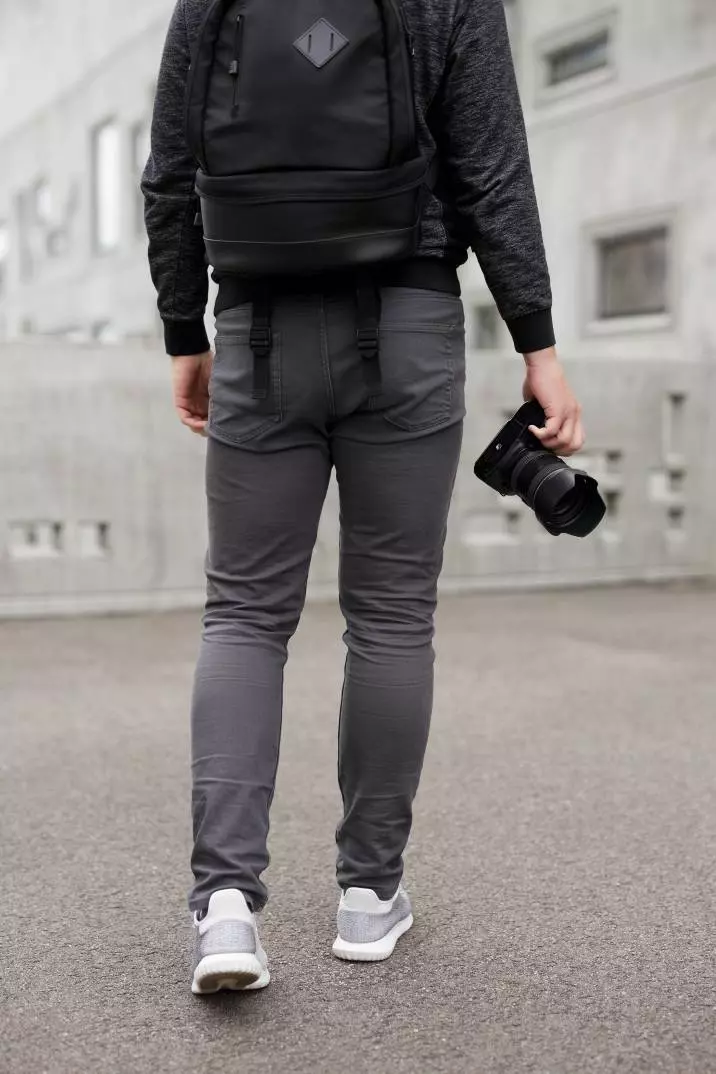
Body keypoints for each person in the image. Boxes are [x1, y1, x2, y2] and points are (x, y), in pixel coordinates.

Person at [142, 0, 584, 996]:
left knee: (246, 614)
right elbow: (491, 173)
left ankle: (223, 909)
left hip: (256, 318)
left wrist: (184, 331)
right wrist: (537, 346)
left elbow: (169, 173)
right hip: (412, 318)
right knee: (389, 613)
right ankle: (366, 896)